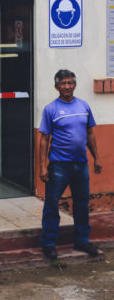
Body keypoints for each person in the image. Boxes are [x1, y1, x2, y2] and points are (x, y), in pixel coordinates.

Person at [39, 69, 102, 260]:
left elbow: (90, 133)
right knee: (52, 204)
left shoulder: (84, 106)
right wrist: (43, 166)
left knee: (82, 203)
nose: (67, 87)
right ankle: (49, 244)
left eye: (70, 83)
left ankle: (82, 240)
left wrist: (97, 157)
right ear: (56, 86)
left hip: (81, 164)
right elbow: (44, 139)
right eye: (63, 83)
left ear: (74, 84)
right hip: (59, 165)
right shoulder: (51, 109)